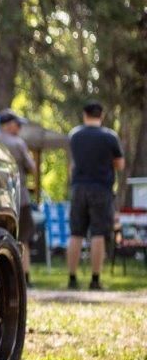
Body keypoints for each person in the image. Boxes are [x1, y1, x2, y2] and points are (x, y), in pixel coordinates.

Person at [66, 101, 125, 290]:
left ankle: (72, 278)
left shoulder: (74, 135)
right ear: (102, 115)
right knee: (98, 233)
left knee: (76, 233)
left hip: (78, 188)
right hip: (101, 188)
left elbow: (72, 163)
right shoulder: (110, 137)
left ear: (85, 115)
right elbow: (120, 164)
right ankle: (95, 279)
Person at [0, 109, 36, 286]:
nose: (19, 128)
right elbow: (32, 168)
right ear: (9, 124)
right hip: (20, 199)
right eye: (18, 124)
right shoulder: (18, 143)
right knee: (23, 239)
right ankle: (25, 278)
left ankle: (3, 278)